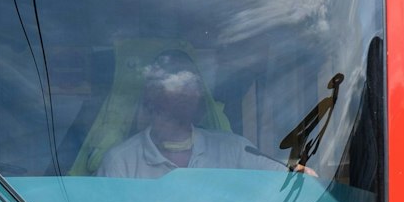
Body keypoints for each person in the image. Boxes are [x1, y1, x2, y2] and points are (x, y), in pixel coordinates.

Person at [98, 50, 302, 178]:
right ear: (152, 95)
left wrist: (300, 175)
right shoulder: (120, 162)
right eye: (179, 84)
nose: (192, 92)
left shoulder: (236, 150)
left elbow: (285, 179)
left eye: (194, 83)